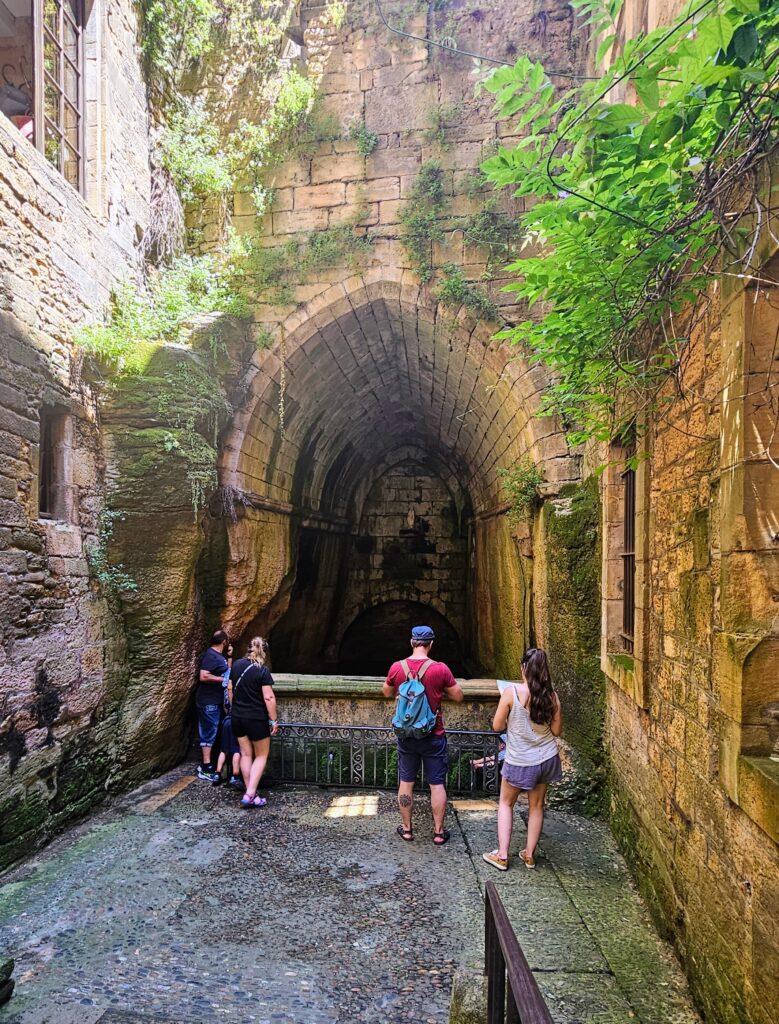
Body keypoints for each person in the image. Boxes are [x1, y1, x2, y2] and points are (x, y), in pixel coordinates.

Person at [482, 648, 562, 871]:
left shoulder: (511, 693)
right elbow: (556, 730)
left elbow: (497, 726)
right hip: (546, 758)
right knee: (537, 806)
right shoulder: (552, 697)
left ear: (523, 668)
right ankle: (529, 855)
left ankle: (503, 855)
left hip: (519, 761)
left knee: (506, 803)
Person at [383, 625, 464, 845]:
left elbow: (386, 691)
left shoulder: (397, 667)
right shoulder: (440, 669)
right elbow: (459, 696)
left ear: (411, 642)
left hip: (406, 735)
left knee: (406, 782)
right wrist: (439, 691)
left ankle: (407, 830)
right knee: (436, 784)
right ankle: (438, 833)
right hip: (433, 734)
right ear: (431, 644)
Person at [230, 636, 279, 808]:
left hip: (236, 717)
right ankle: (250, 794)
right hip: (255, 718)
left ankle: (250, 793)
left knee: (245, 754)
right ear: (264, 651)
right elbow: (269, 697)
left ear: (248, 648)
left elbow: (230, 689)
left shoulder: (236, 665)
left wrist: (234, 708)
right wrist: (274, 720)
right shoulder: (262, 671)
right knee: (261, 755)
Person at [196, 629, 233, 783]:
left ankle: (209, 764)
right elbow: (203, 676)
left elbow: (227, 672)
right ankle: (206, 767)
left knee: (214, 730)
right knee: (208, 731)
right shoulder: (211, 655)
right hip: (208, 702)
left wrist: (229, 657)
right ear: (224, 642)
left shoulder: (219, 656)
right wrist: (221, 680)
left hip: (215, 701)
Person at [215, 713, 244, 789]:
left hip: (226, 721)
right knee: (237, 750)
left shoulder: (228, 700)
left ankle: (217, 774)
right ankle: (235, 777)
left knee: (223, 750)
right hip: (237, 721)